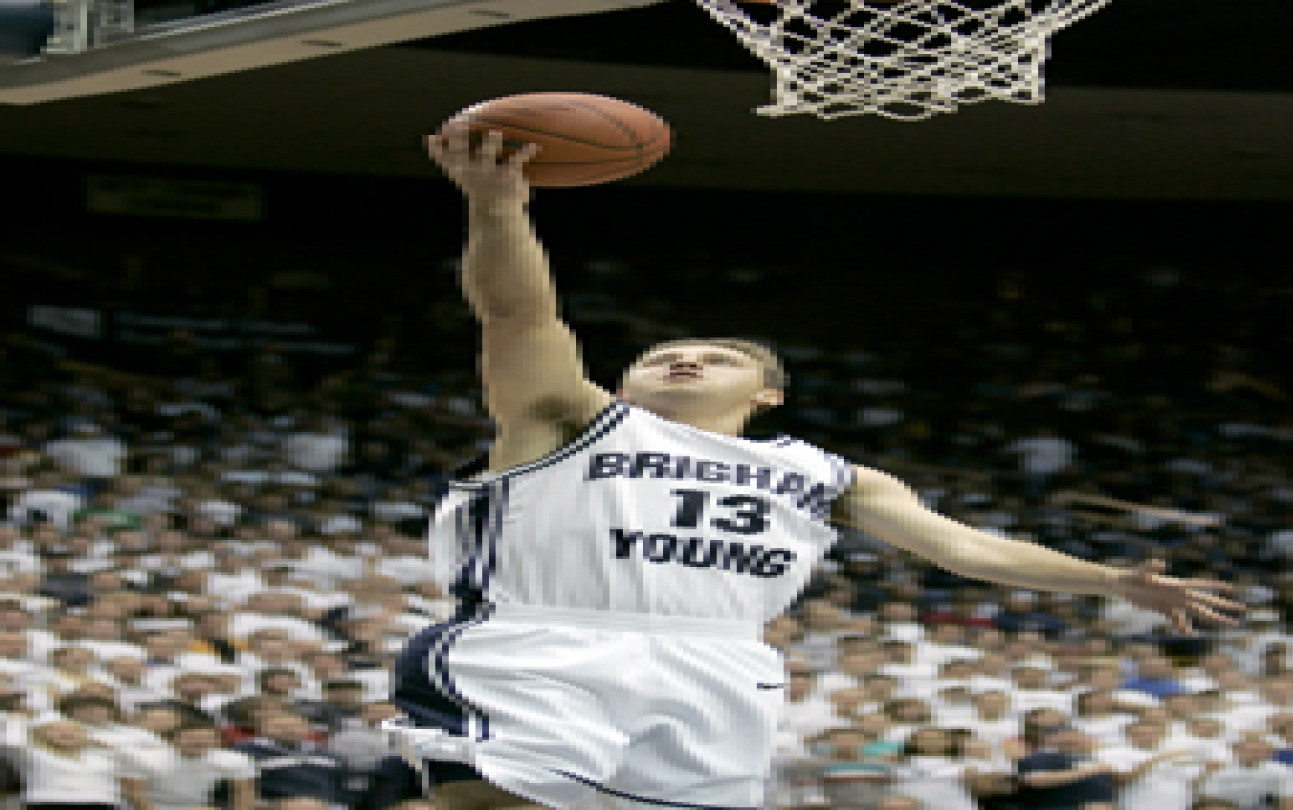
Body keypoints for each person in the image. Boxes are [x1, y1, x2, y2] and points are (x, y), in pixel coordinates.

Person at [385, 127, 1244, 810]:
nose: (684, 361)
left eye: (714, 356)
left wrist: (1112, 582)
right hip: (545, 639)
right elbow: (515, 311)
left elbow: (967, 551)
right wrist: (499, 211)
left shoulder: (827, 474)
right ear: (621, 381)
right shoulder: (570, 419)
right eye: (662, 356)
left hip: (719, 666)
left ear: (767, 395)